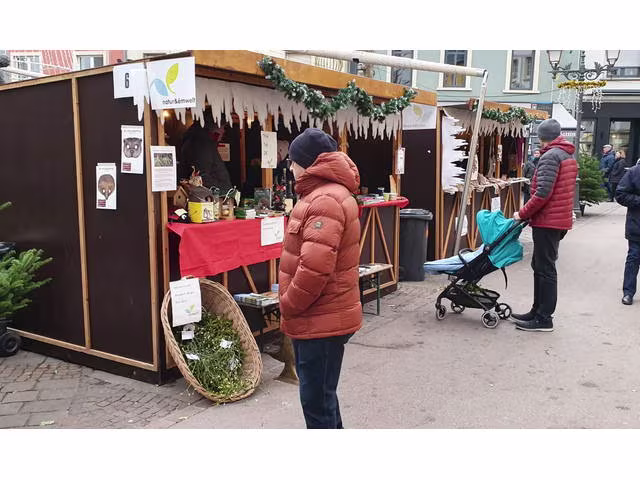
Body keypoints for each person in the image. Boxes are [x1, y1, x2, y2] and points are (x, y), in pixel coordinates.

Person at [278, 128, 362, 428]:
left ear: (309, 163)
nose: (290, 167)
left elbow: (314, 269)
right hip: (323, 316)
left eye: (293, 161)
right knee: (322, 399)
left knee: (317, 403)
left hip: (319, 318)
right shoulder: (325, 195)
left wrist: (288, 303)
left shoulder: (324, 200)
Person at [512, 118, 578, 332]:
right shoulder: (566, 155)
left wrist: (522, 213)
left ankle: (544, 318)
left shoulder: (551, 156)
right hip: (557, 220)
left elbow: (542, 193)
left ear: (542, 137)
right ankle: (537, 310)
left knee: (545, 269)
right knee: (540, 266)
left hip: (548, 220)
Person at [180, 110, 232, 191]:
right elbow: (202, 177)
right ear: (214, 126)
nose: (223, 131)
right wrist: (222, 190)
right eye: (222, 127)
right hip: (212, 195)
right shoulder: (202, 143)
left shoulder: (198, 140)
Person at [614, 161, 640, 305]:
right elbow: (620, 194)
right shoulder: (635, 172)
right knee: (633, 258)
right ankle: (628, 292)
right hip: (637, 225)